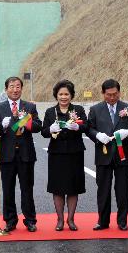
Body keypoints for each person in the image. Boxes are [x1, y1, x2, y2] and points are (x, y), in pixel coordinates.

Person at [87, 79, 128, 231]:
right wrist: (97, 135)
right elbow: (89, 128)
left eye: (115, 94)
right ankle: (103, 221)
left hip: (123, 155)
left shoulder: (127, 108)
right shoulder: (95, 109)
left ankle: (122, 221)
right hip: (103, 155)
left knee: (123, 189)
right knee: (103, 189)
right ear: (103, 94)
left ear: (119, 92)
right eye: (109, 95)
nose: (112, 97)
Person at [0, 76, 42, 232]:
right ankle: (10, 220)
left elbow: (37, 126)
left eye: (18, 86)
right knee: (8, 189)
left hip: (26, 154)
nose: (15, 89)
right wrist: (2, 125)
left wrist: (25, 121)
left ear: (22, 88)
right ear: (6, 89)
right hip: (6, 154)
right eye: (12, 86)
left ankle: (30, 220)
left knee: (27, 188)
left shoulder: (30, 107)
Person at [41, 80, 87, 231]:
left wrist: (77, 127)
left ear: (71, 95)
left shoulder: (78, 110)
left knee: (73, 187)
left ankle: (71, 219)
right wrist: (50, 129)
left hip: (75, 153)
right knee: (58, 188)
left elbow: (86, 126)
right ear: (56, 95)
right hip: (57, 154)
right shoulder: (50, 112)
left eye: (66, 94)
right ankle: (60, 220)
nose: (63, 97)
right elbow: (43, 132)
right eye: (60, 94)